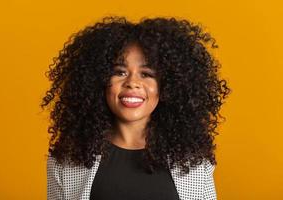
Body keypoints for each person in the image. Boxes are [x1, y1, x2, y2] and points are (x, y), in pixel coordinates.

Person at [41, 15, 231, 200]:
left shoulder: (193, 160)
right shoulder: (67, 160)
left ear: (168, 86)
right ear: (99, 81)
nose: (132, 82)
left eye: (146, 74)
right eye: (119, 72)